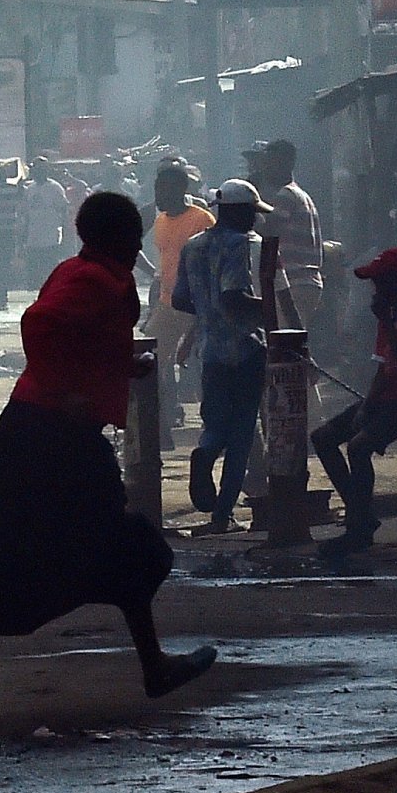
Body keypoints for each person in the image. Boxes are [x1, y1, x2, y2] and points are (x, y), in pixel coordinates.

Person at [0, 190, 215, 705]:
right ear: (116, 239)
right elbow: (40, 326)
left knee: (4, 541)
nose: (137, 249)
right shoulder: (95, 279)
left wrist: (119, 367)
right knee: (130, 546)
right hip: (56, 439)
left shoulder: (80, 271)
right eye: (132, 239)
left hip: (32, 430)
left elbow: (79, 340)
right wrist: (67, 393)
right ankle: (153, 666)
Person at [313, 247, 397, 557]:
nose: (376, 289)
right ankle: (361, 514)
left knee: (359, 448)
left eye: (380, 282)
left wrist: (385, 322)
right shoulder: (391, 314)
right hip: (389, 398)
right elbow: (383, 368)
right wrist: (367, 406)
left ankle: (357, 529)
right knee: (323, 438)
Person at [170, 178, 271, 534]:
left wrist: (205, 307)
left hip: (210, 352)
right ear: (240, 212)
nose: (256, 221)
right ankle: (221, 514)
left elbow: (180, 299)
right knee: (242, 433)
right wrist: (267, 309)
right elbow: (233, 298)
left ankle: (206, 452)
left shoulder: (193, 246)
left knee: (215, 425)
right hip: (245, 349)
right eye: (252, 214)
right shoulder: (241, 245)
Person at [145, 162, 213, 433]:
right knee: (151, 359)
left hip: (196, 305)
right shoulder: (160, 221)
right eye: (157, 189)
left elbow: (211, 265)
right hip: (167, 302)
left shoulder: (202, 220)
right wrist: (155, 276)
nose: (159, 196)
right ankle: (162, 421)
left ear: (182, 189)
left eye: (164, 189)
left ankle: (212, 422)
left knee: (201, 363)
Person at [247, 139, 324, 334]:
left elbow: (267, 233)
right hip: (306, 281)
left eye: (271, 164)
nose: (266, 170)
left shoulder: (287, 195)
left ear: (287, 164)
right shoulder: (299, 194)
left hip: (296, 281)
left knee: (282, 342)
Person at [22, 158, 69, 294]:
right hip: (33, 238)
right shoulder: (29, 189)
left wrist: (64, 234)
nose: (35, 171)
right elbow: (25, 215)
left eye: (38, 168)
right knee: (34, 274)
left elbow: (63, 210)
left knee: (50, 270)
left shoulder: (55, 188)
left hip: (50, 237)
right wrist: (23, 237)